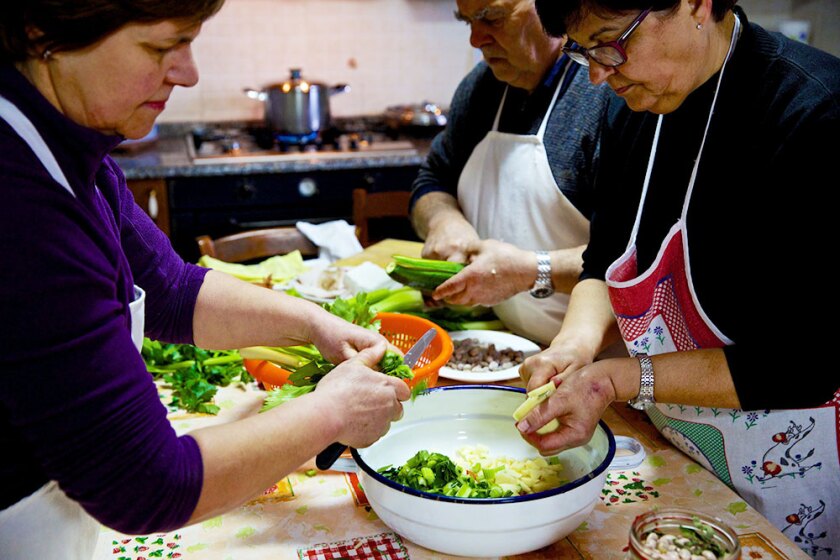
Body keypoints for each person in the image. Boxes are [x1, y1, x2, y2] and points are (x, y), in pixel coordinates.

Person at [0, 3, 409, 558]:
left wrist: (314, 323)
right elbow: (145, 483)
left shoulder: (67, 144)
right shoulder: (19, 200)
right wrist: (330, 413)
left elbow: (171, 289)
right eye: (160, 47)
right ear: (42, 31)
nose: (188, 73)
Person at [517, 0, 840, 555]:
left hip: (794, 460)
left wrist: (613, 380)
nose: (597, 73)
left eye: (612, 41)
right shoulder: (632, 104)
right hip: (681, 444)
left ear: (696, 4)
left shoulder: (814, 115)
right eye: (582, 50)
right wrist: (574, 345)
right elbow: (606, 257)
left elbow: (800, 366)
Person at [409, 0, 611, 345]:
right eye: (468, 21)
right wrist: (443, 222)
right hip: (510, 344)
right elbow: (433, 180)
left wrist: (530, 271)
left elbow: (635, 259)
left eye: (493, 18)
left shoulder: (609, 93)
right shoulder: (480, 88)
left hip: (604, 363)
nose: (476, 39)